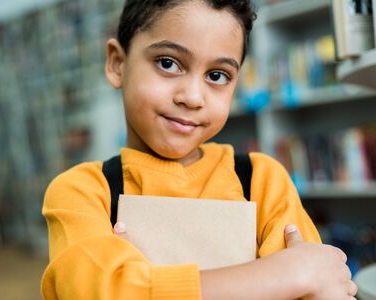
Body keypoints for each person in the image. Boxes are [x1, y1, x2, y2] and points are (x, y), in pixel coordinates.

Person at [41, 0, 357, 299]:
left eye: (217, 75)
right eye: (168, 63)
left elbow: (318, 289)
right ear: (117, 64)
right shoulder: (81, 192)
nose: (193, 97)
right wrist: (288, 273)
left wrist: (144, 284)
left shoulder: (261, 179)